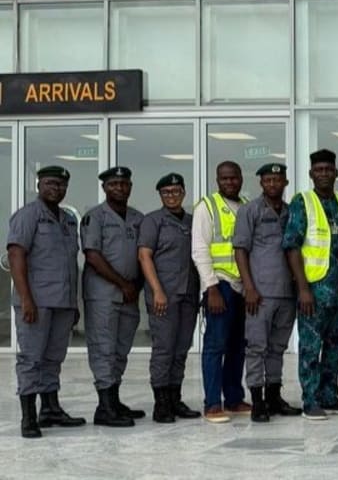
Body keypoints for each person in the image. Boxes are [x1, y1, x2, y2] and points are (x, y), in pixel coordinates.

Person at [8, 165, 86, 439]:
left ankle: (50, 409)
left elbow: (69, 264)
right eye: (50, 183)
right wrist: (26, 299)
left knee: (54, 358)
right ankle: (29, 417)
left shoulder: (68, 219)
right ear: (39, 185)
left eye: (61, 185)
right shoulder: (28, 216)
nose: (56, 189)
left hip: (62, 302)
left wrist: (74, 304)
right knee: (31, 358)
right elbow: (16, 256)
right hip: (36, 302)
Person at [284, 149, 338, 421]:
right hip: (314, 291)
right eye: (319, 170)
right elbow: (292, 247)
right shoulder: (302, 202)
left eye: (328, 169)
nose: (324, 174)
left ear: (336, 173)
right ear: (311, 174)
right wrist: (303, 289)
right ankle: (311, 400)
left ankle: (329, 396)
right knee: (310, 348)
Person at [232, 163, 302, 423]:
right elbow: (240, 250)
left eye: (277, 180)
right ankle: (257, 400)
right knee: (256, 348)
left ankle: (274, 396)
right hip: (260, 292)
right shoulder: (250, 210)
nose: (273, 184)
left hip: (287, 292)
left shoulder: (291, 212)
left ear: (285, 183)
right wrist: (249, 287)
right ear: (261, 183)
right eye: (268, 180)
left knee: (277, 347)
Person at [81, 165, 145, 427]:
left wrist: (136, 286)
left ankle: (113, 401)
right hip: (103, 295)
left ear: (130, 187)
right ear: (104, 188)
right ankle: (105, 407)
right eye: (113, 184)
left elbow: (144, 254)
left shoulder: (138, 218)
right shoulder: (95, 217)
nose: (119, 188)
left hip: (129, 296)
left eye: (124, 184)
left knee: (120, 350)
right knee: (103, 349)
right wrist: (122, 284)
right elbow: (92, 255)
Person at [136, 173, 201, 424]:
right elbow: (144, 256)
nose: (171, 196)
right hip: (164, 295)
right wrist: (157, 290)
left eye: (175, 191)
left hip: (188, 294)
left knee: (181, 348)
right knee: (164, 349)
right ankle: (161, 403)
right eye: (166, 192)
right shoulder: (153, 221)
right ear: (160, 195)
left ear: (183, 193)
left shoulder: (192, 221)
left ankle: (175, 398)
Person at [191, 161, 251, 423]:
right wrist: (211, 287)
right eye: (224, 178)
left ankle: (234, 398)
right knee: (215, 346)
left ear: (241, 178)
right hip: (220, 284)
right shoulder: (207, 207)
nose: (230, 182)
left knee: (238, 345)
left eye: (234, 178)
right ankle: (213, 403)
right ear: (217, 180)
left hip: (242, 286)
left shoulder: (246, 205)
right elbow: (199, 250)